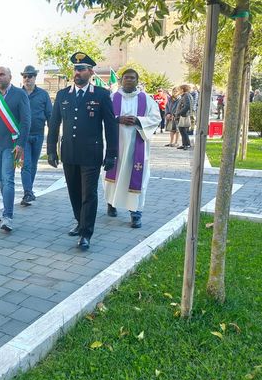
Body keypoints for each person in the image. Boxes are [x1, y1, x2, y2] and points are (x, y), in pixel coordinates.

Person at [46, 52, 118, 250]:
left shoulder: (101, 95)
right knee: (74, 192)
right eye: (75, 69)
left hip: (91, 153)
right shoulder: (62, 95)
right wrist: (51, 150)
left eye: (81, 69)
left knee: (89, 194)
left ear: (90, 71)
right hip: (69, 152)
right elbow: (54, 125)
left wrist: (112, 153)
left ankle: (86, 233)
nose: (77, 73)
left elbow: (111, 126)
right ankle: (80, 222)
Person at [104, 69, 161, 229]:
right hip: (115, 145)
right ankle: (111, 203)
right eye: (126, 78)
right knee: (111, 176)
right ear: (121, 80)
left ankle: (135, 213)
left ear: (137, 80)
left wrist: (138, 120)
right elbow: (103, 118)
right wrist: (118, 119)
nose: (129, 80)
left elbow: (156, 117)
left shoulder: (146, 99)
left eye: (132, 78)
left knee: (137, 178)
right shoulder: (112, 98)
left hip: (137, 146)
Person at [0, 66, 31, 232]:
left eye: (2, 74)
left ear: (10, 77)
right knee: (1, 180)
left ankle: (8, 217)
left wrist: (21, 144)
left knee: (8, 179)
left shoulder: (20, 94)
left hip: (11, 145)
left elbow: (26, 121)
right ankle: (5, 209)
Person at [19, 65, 52, 206]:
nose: (27, 79)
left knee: (33, 164)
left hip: (38, 135)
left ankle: (29, 191)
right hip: (23, 136)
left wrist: (53, 136)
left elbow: (50, 115)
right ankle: (27, 193)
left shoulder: (43, 95)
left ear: (35, 77)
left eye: (30, 76)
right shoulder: (17, 94)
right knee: (25, 165)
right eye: (25, 76)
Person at [175, 84, 194, 150]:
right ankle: (184, 144)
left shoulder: (186, 95)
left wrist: (179, 113)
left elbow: (187, 106)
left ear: (182, 90)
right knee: (182, 129)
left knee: (183, 129)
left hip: (185, 115)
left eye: (179, 89)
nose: (178, 91)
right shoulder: (185, 95)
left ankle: (187, 144)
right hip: (184, 115)